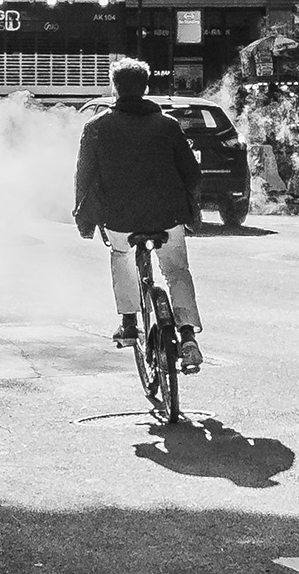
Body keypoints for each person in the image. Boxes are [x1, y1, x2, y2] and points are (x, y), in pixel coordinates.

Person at [74, 56, 205, 373]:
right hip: (168, 215)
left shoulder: (96, 128)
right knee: (176, 271)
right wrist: (192, 208)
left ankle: (130, 321)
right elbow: (192, 174)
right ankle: (187, 335)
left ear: (114, 88)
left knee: (121, 255)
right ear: (145, 88)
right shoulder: (167, 126)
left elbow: (84, 177)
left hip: (119, 218)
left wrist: (83, 218)